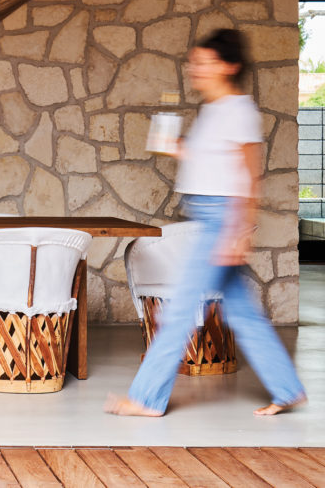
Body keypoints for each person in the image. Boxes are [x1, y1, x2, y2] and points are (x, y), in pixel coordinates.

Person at [105, 28, 306, 417]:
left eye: (205, 62)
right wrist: (177, 148)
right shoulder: (212, 110)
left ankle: (147, 399)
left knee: (180, 308)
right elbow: (209, 164)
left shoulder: (239, 110)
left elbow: (249, 177)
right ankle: (287, 388)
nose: (195, 69)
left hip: (220, 221)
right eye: (194, 62)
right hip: (207, 215)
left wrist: (239, 233)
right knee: (243, 312)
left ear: (229, 65)